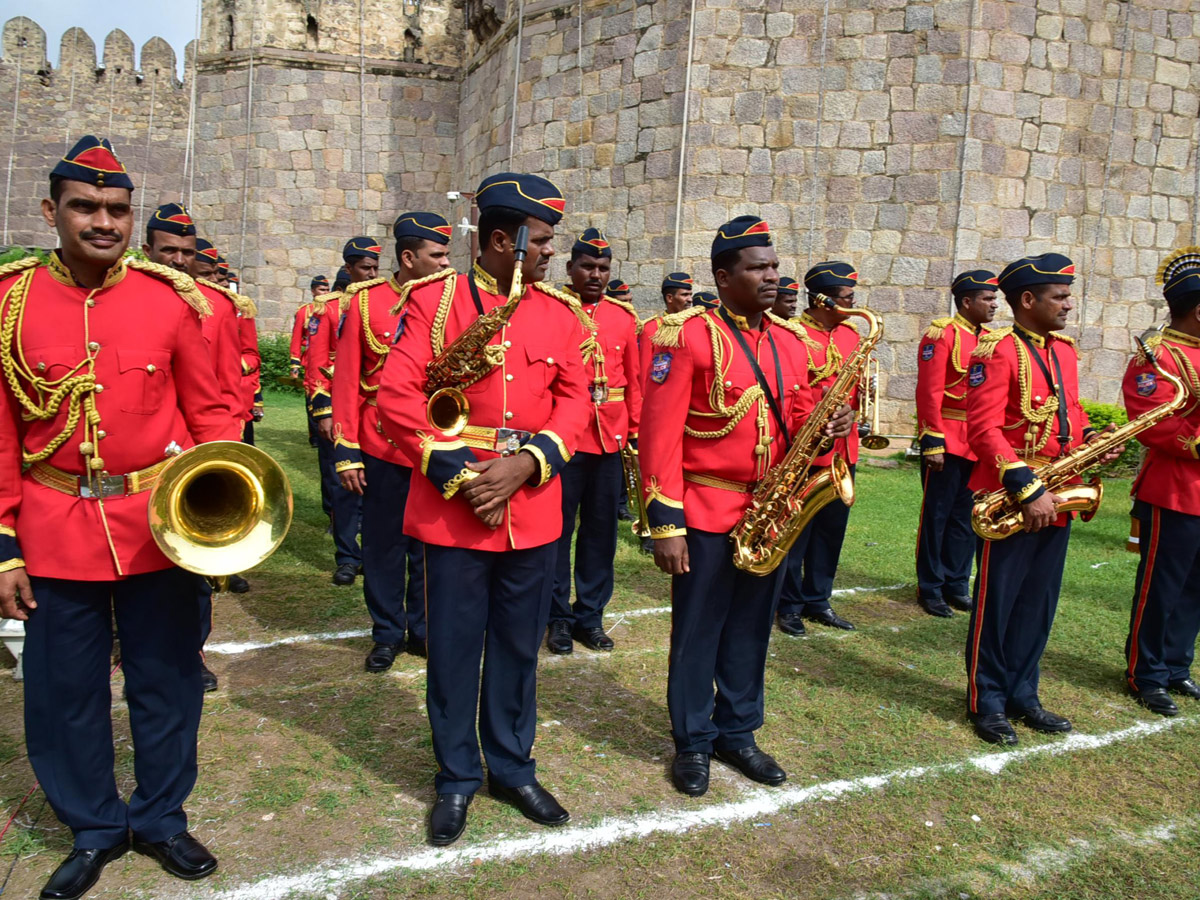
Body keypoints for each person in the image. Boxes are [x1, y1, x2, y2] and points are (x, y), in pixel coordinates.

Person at [0, 136, 238, 900]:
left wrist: (225, 515)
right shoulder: (8, 304)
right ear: (52, 210)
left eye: (117, 210)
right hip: (52, 524)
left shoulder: (175, 299)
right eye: (86, 207)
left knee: (166, 682)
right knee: (62, 690)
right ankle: (95, 826)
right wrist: (3, 548)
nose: (104, 222)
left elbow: (213, 413)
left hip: (157, 522)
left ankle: (163, 817)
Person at [376, 172, 590, 847]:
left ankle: (512, 766)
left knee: (517, 649)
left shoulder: (562, 313)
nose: (553, 253)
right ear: (505, 240)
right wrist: (464, 475)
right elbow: (395, 396)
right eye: (544, 241)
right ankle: (457, 777)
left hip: (532, 501)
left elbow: (576, 400)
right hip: (458, 504)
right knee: (454, 650)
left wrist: (528, 464)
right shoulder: (434, 303)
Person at [640, 215, 853, 798]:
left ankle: (739, 731)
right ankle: (693, 741)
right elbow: (658, 436)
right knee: (698, 630)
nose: (771, 277)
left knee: (751, 629)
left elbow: (803, 415)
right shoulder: (684, 336)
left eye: (774, 266)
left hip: (774, 511)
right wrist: (665, 524)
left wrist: (834, 423)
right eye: (757, 268)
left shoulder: (791, 341)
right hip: (706, 510)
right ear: (723, 275)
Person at [964, 252, 1123, 745]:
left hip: (1057, 494)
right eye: (1060, 296)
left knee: (1038, 602)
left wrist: (1093, 440)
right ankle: (987, 699)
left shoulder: (1064, 351)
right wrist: (1027, 488)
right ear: (1028, 300)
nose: (1069, 305)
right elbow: (983, 429)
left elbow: (1066, 415)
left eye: (1068, 296)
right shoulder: (996, 351)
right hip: (1013, 498)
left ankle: (1023, 693)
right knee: (999, 603)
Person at [332, 213, 452, 670]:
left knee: (429, 545)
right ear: (408, 257)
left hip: (431, 442)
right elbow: (345, 382)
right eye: (436, 255)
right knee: (384, 545)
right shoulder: (364, 303)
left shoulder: (450, 300)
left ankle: (422, 629)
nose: (445, 263)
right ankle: (386, 631)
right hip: (380, 443)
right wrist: (346, 453)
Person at [547, 229, 642, 654]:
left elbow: (635, 381)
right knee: (556, 533)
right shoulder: (552, 309)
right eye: (587, 266)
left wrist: (635, 431)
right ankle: (557, 619)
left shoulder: (624, 318)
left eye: (603, 268)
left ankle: (590, 615)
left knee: (600, 534)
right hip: (564, 439)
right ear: (570, 268)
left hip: (609, 440)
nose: (596, 275)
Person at [1121, 248, 1200, 717]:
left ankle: (1176, 665)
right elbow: (1151, 422)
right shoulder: (1157, 354)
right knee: (1161, 587)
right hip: (1172, 488)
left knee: (1196, 588)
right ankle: (1145, 672)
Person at [775, 262, 864, 636]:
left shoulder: (852, 336)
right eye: (847, 298)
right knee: (797, 529)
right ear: (823, 300)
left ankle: (818, 599)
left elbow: (856, 391)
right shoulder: (790, 335)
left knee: (831, 530)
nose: (853, 304)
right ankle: (789, 604)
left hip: (844, 446)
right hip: (806, 445)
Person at [914, 271, 999, 617]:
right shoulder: (942, 335)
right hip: (947, 437)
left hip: (978, 441)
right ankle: (930, 587)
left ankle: (957, 583)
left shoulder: (993, 340)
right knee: (937, 514)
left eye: (995, 299)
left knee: (967, 516)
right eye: (987, 299)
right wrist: (932, 439)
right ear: (966, 302)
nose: (994, 305)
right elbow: (929, 390)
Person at [309, 248, 374, 586]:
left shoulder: (380, 302)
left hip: (376, 413)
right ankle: (347, 556)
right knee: (344, 487)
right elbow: (316, 363)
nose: (371, 274)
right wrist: (323, 411)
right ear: (349, 268)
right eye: (365, 268)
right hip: (341, 408)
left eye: (376, 268)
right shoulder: (329, 308)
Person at [291, 274, 330, 451]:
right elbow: (297, 338)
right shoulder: (304, 312)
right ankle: (314, 434)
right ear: (313, 291)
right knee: (312, 397)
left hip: (330, 360)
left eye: (327, 289)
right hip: (310, 360)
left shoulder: (332, 308)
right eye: (322, 289)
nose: (325, 292)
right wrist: (295, 364)